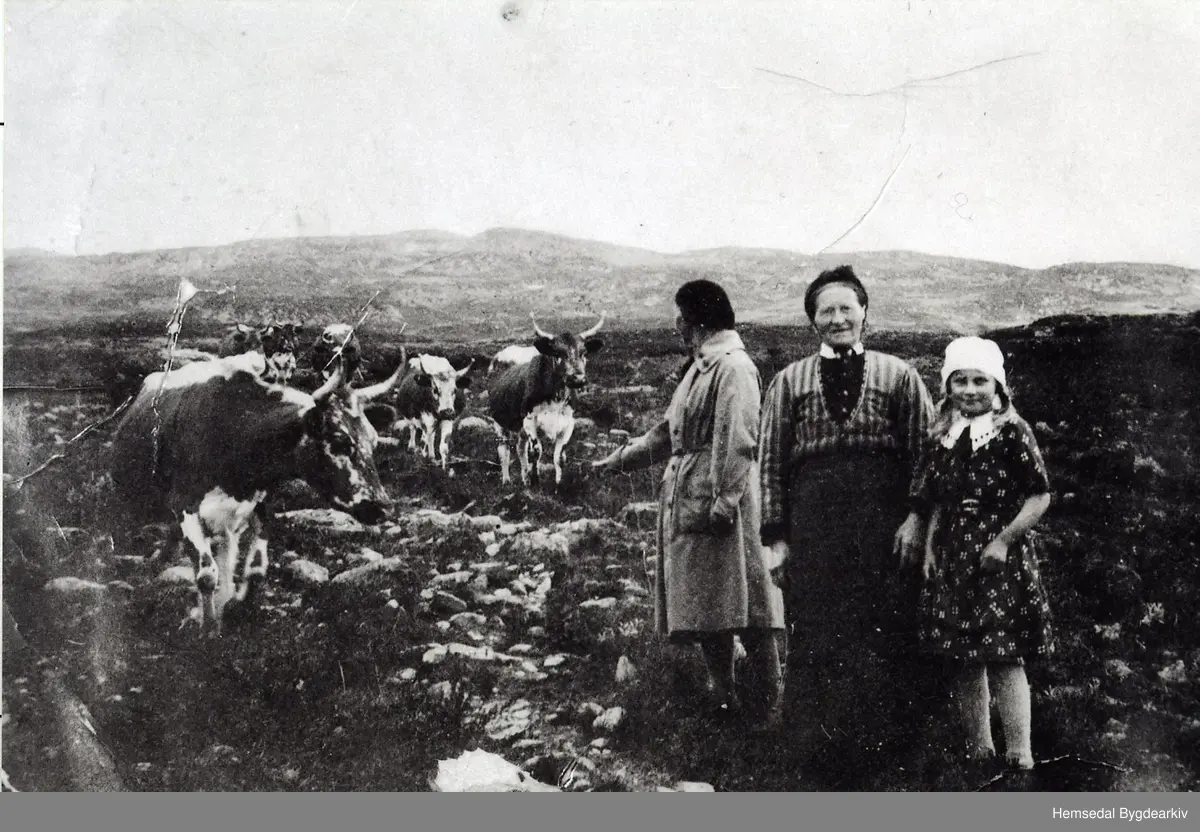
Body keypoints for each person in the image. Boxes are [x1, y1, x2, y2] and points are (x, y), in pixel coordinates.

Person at [757, 264, 937, 776]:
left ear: (864, 313)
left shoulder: (898, 374)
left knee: (883, 629)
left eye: (846, 308)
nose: (837, 319)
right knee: (816, 631)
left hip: (881, 524)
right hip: (814, 525)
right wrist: (777, 540)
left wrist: (915, 520)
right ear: (812, 320)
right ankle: (818, 755)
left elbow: (924, 453)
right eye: (825, 310)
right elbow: (770, 465)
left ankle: (889, 752)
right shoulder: (788, 382)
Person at [593, 279, 785, 725]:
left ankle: (768, 709)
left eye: (680, 316)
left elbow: (740, 441)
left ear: (696, 319)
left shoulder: (733, 368)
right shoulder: (700, 367)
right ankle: (725, 698)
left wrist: (722, 505)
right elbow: (667, 432)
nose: (676, 325)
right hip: (693, 498)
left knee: (749, 606)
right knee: (706, 608)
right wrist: (621, 460)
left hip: (725, 504)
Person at [913, 336, 1054, 771]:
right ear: (947, 386)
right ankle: (979, 748)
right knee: (964, 654)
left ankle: (1019, 752)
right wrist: (931, 549)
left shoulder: (1013, 431)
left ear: (998, 386)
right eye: (961, 381)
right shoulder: (944, 435)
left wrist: (1004, 541)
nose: (970, 390)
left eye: (980, 380)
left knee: (1005, 654)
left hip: (999, 558)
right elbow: (938, 500)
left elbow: (1039, 497)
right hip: (956, 555)